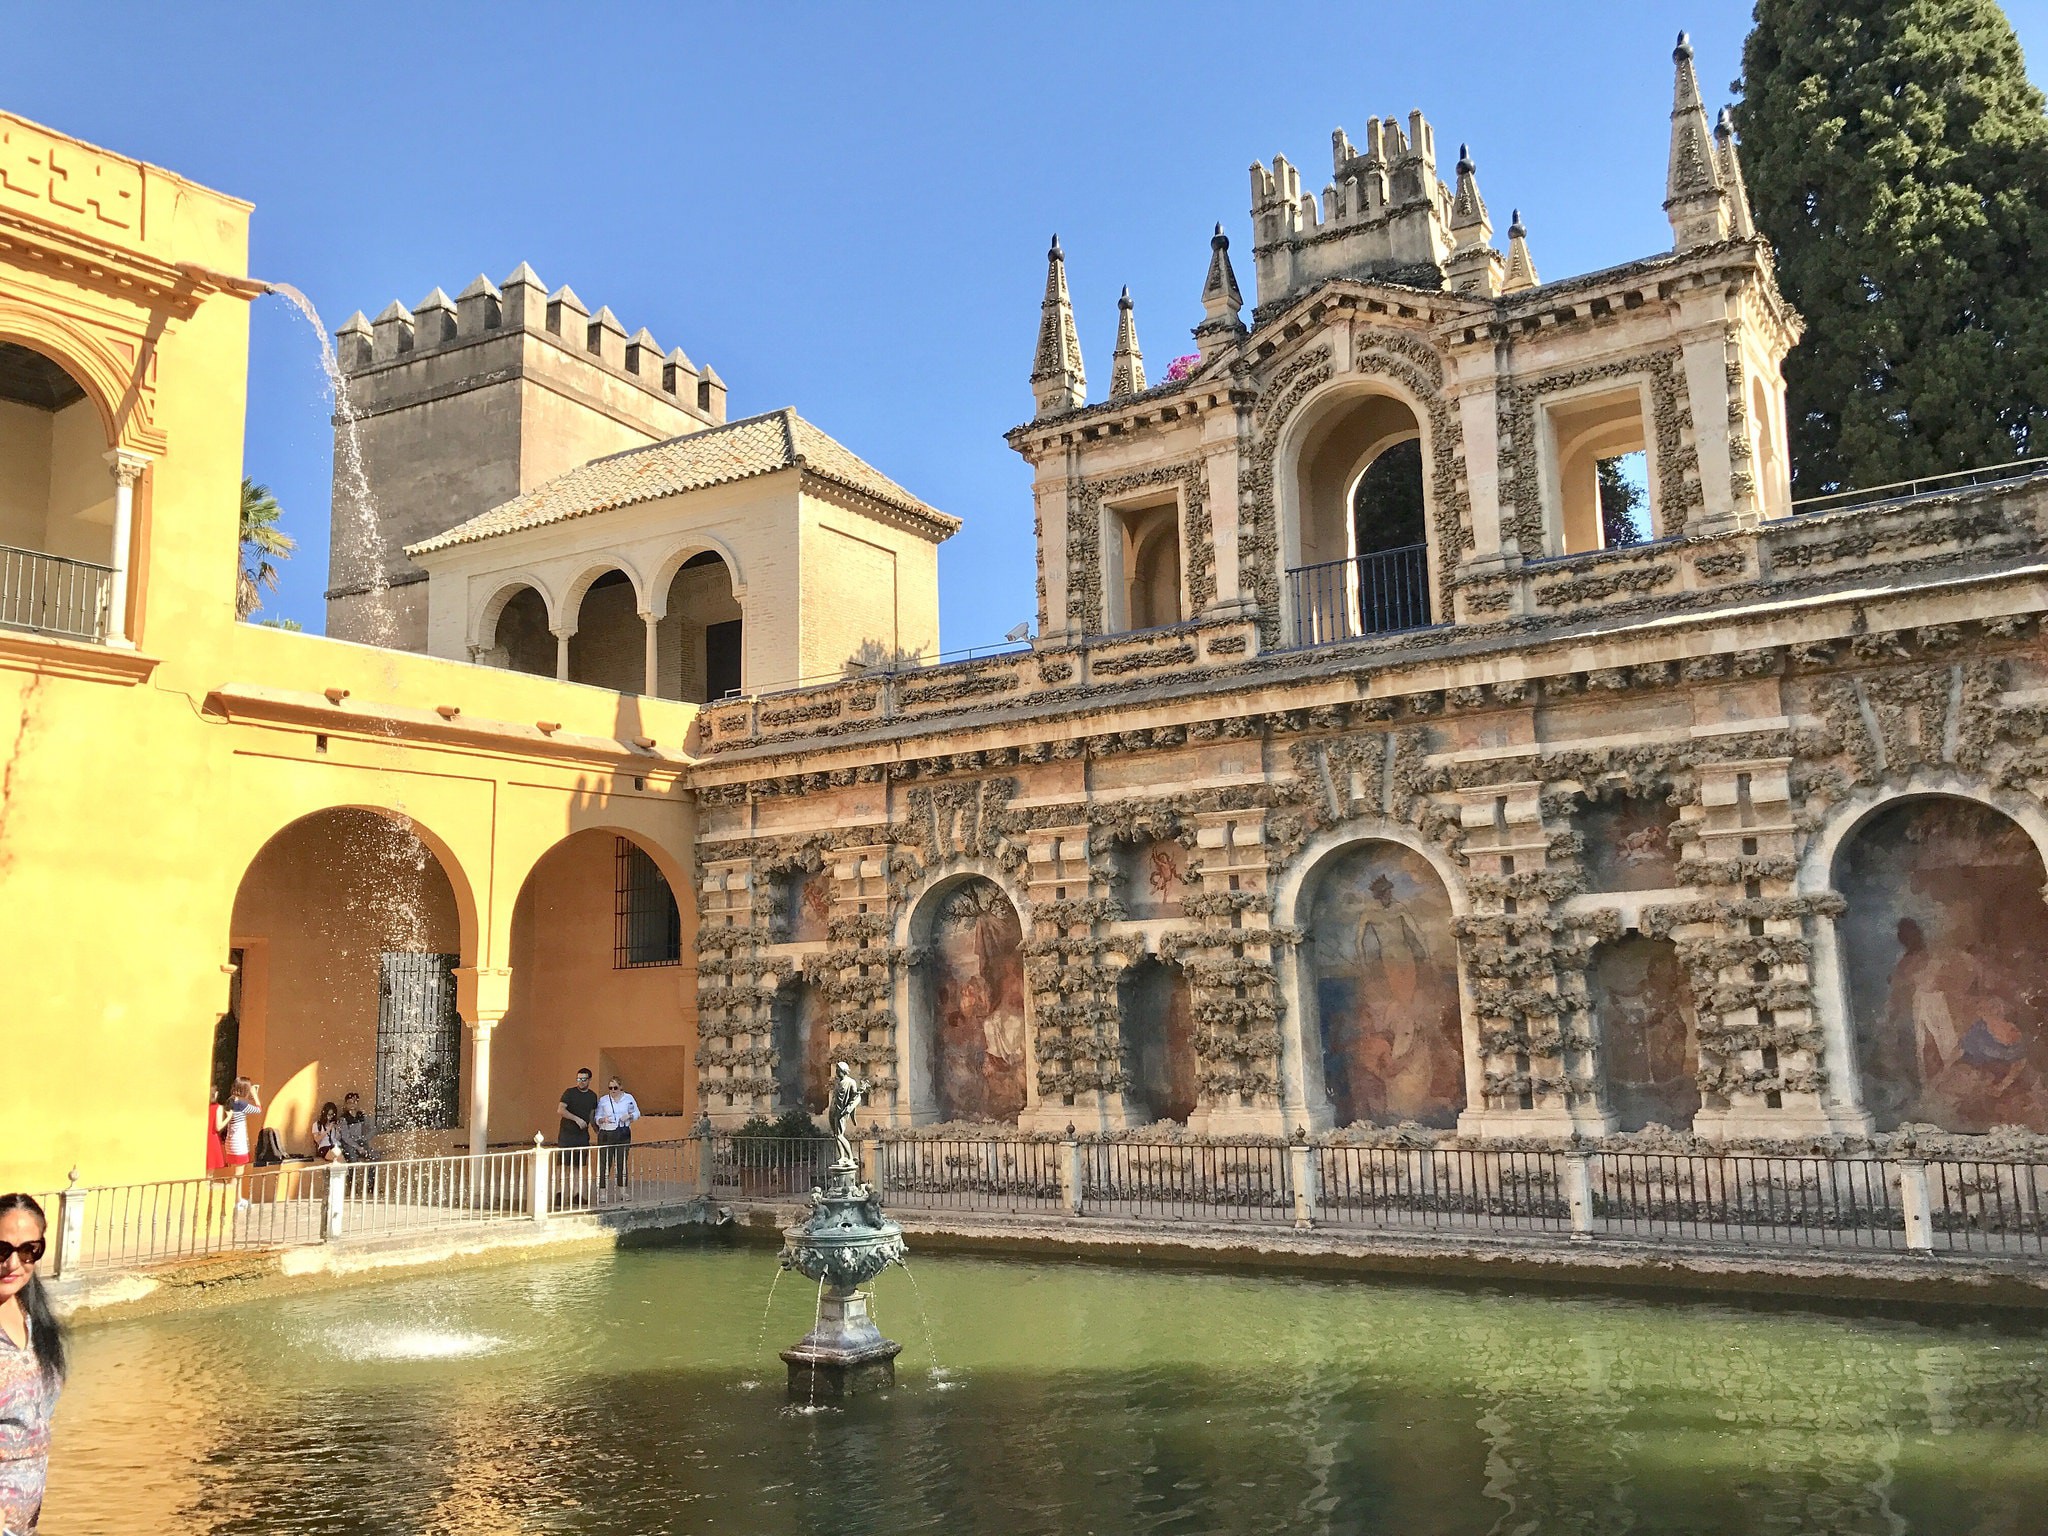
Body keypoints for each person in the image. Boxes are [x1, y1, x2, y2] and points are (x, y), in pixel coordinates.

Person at [0, 1193, 66, 1536]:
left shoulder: (32, 1317)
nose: (14, 1263)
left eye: (29, 1250)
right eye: (1, 1250)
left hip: (26, 1521)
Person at [593, 1076, 641, 1206]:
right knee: (605, 1163)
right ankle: (602, 1192)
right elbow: (597, 1116)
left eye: (615, 1088)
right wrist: (602, 1120)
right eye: (610, 1088)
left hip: (623, 1131)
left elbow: (637, 1113)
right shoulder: (604, 1100)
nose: (612, 1090)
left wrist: (629, 1116)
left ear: (621, 1087)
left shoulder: (628, 1098)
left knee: (622, 1162)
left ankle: (623, 1191)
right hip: (607, 1132)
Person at [556, 1068, 598, 1205]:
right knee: (562, 1165)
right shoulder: (569, 1093)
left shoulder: (592, 1096)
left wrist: (597, 1131)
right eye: (578, 1079)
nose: (581, 1082)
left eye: (584, 1079)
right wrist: (576, 1119)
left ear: (589, 1080)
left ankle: (576, 1194)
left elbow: (592, 1116)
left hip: (581, 1136)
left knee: (578, 1166)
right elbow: (561, 1109)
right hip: (567, 1134)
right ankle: (559, 1193)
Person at [220, 1077, 262, 1209]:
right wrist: (255, 1095)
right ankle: (230, 1201)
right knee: (237, 1174)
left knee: (237, 1173)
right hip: (238, 1143)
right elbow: (258, 1109)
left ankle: (238, 1199)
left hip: (231, 1142)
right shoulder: (241, 1104)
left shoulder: (231, 1100)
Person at [336, 1093, 374, 1164]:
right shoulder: (344, 1118)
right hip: (348, 1144)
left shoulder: (362, 1116)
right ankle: (351, 1175)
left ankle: (371, 1175)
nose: (352, 1104)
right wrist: (358, 1147)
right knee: (352, 1158)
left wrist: (364, 1139)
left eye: (354, 1102)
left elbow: (371, 1129)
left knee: (374, 1156)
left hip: (360, 1141)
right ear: (346, 1104)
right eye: (349, 1103)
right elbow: (346, 1137)